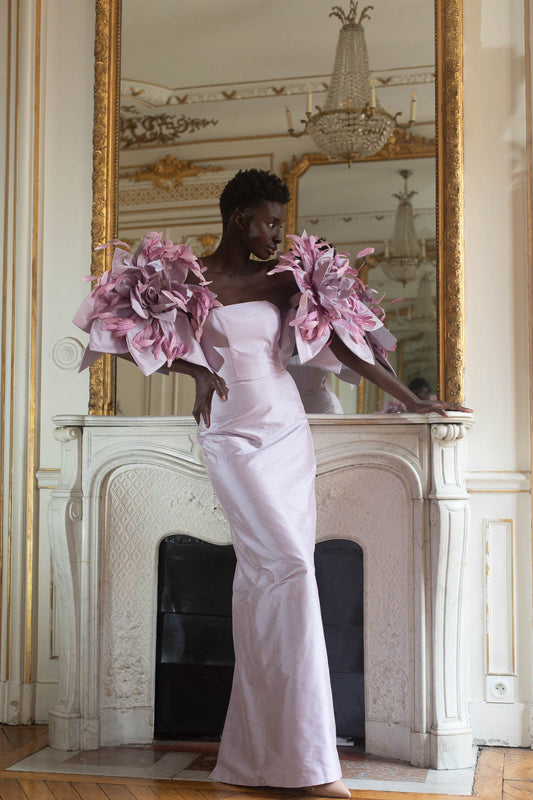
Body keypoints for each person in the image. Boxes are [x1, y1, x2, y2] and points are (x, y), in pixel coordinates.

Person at [159, 169, 470, 797]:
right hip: (228, 433)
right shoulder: (189, 277)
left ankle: (267, 756)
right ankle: (300, 761)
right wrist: (193, 367)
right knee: (285, 571)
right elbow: (125, 335)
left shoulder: (283, 281)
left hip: (282, 431)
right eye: (271, 219)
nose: (278, 231)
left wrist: (410, 400)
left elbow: (349, 349)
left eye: (280, 221)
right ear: (241, 215)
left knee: (274, 577)